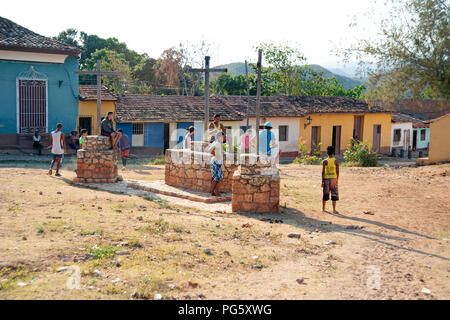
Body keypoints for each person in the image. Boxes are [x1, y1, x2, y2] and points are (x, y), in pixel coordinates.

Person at [322, 146, 339, 214]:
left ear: (327, 153)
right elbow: (337, 171)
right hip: (334, 179)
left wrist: (322, 181)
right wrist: (337, 179)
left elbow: (323, 172)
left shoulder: (325, 161)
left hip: (326, 179)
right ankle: (334, 210)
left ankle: (323, 208)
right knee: (334, 194)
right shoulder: (336, 161)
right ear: (333, 153)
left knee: (325, 193)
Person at [209, 132, 224, 196]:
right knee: (217, 178)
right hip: (217, 162)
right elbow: (211, 150)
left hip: (215, 161)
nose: (223, 138)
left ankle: (213, 192)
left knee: (215, 177)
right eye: (222, 137)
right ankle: (215, 191)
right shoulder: (217, 143)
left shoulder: (215, 142)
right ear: (218, 137)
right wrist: (216, 155)